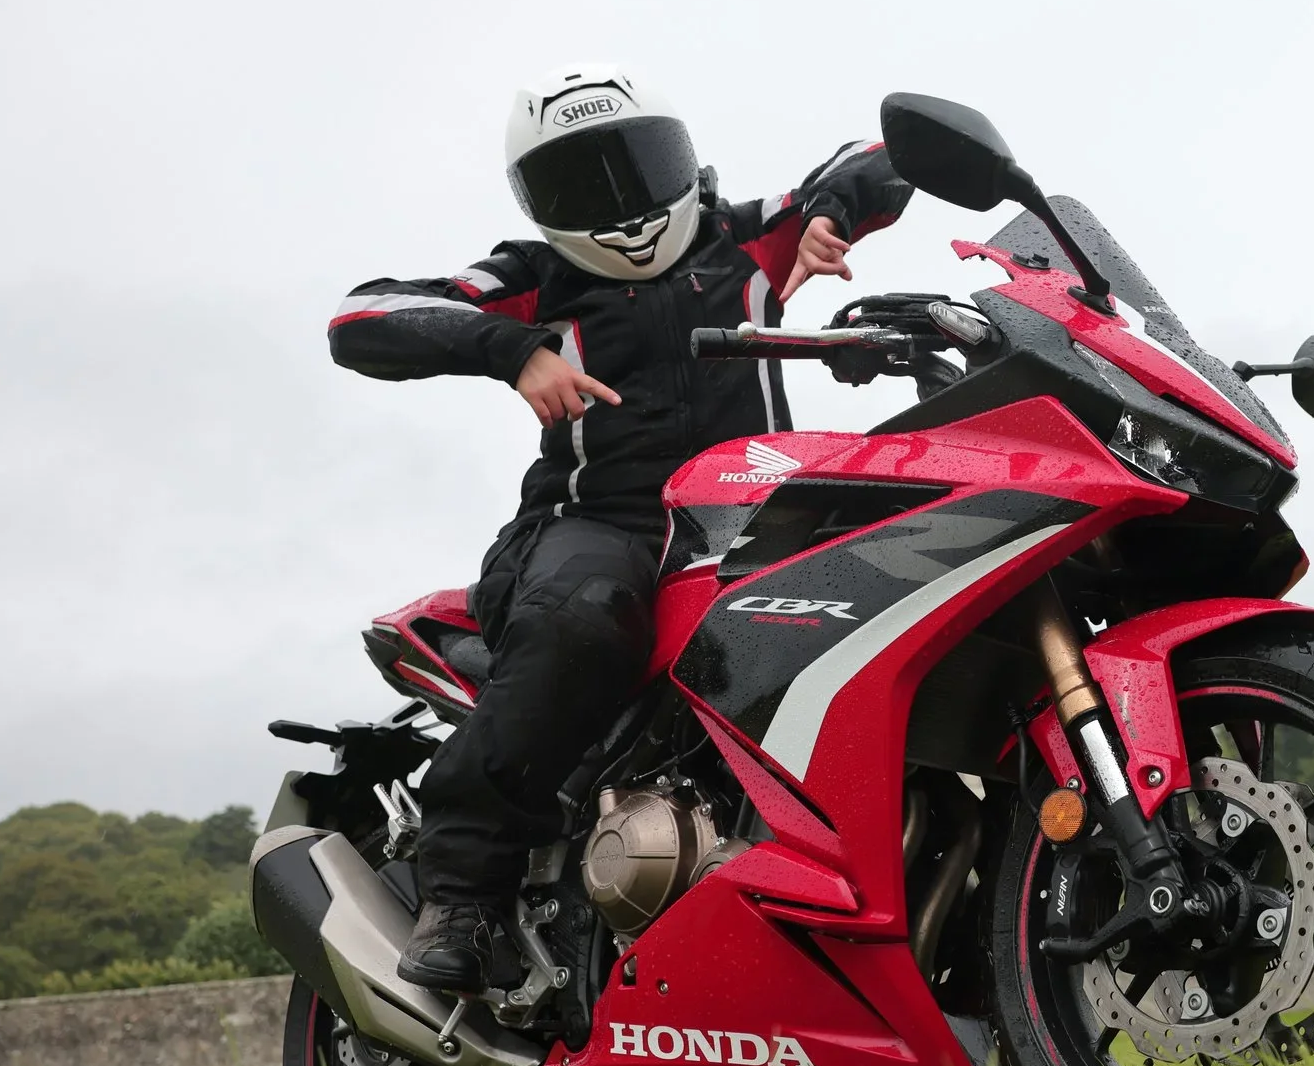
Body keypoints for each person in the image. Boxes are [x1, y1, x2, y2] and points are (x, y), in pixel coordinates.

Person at [328, 63, 910, 994]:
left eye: (635, 163)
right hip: (597, 524)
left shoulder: (749, 233)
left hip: (763, 521)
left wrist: (835, 206)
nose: (620, 198)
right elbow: (363, 314)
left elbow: (882, 152)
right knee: (580, 615)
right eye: (579, 179)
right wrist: (512, 348)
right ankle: (464, 899)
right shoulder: (535, 276)